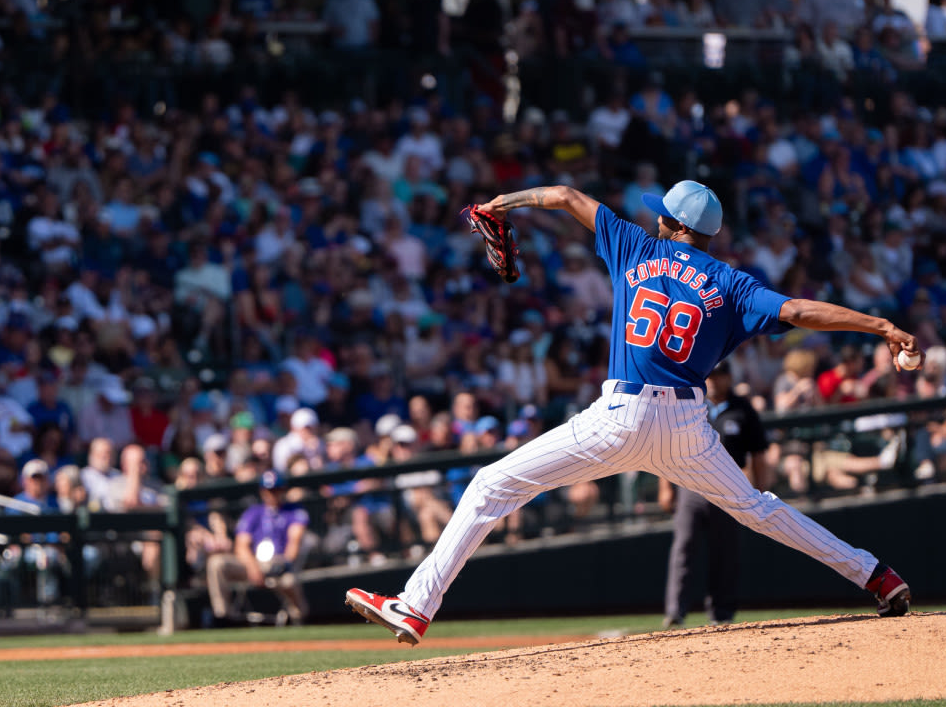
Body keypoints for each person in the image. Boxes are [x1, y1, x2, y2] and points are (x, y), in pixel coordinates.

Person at [347, 180, 916, 645]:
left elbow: (566, 196)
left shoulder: (635, 247)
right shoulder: (730, 281)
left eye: (660, 216)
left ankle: (416, 606)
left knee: (492, 485)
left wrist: (504, 203)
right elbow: (799, 310)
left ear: (670, 224)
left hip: (620, 415)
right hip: (688, 428)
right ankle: (874, 575)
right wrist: (883, 326)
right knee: (757, 508)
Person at [659, 363, 768, 628]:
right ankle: (675, 612)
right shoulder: (690, 404)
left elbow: (758, 452)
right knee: (683, 548)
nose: (716, 379)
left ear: (730, 376)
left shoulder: (743, 409)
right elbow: (665, 447)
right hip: (691, 485)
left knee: (726, 553)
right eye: (712, 374)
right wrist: (665, 487)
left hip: (729, 488)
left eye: (721, 374)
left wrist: (759, 489)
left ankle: (722, 613)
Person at [205, 470, 309, 625]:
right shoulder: (253, 512)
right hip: (252, 563)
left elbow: (295, 541)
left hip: (279, 565)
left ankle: (300, 618)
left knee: (289, 582)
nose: (272, 494)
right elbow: (241, 545)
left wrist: (283, 564)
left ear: (283, 490)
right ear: (262, 491)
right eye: (268, 490)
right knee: (217, 563)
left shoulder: (294, 511)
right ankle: (223, 617)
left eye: (276, 489)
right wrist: (253, 567)